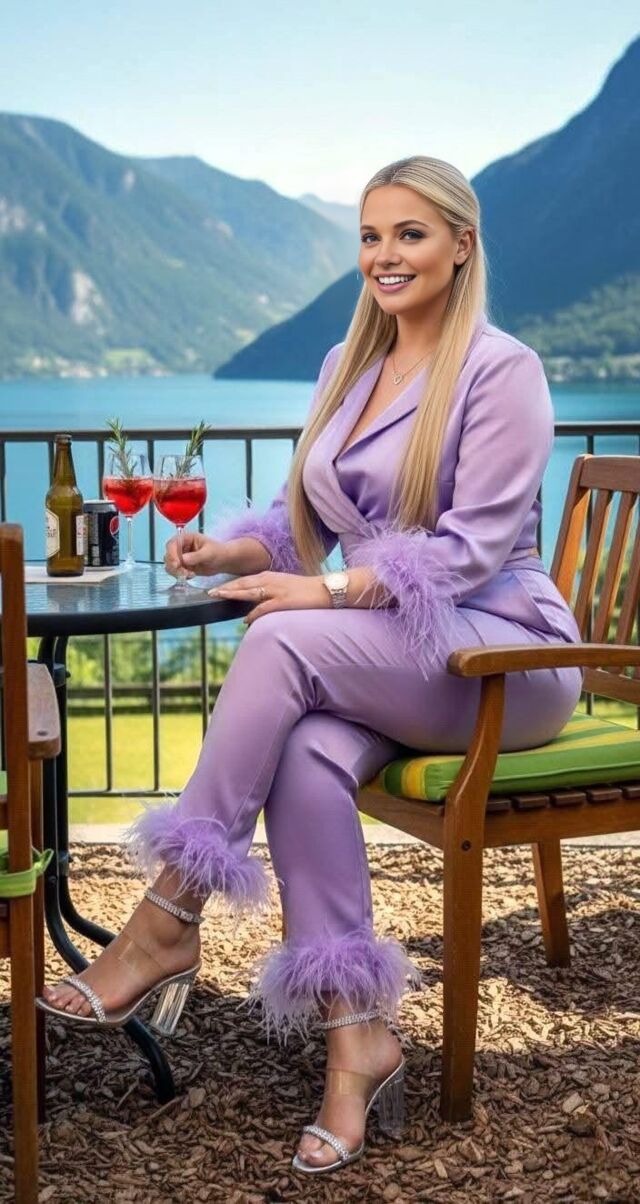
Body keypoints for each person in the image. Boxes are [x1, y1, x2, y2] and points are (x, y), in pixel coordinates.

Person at [37, 155, 584, 1175]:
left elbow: (469, 553)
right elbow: (314, 529)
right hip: (394, 650)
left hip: (504, 653)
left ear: (461, 244)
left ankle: (168, 916)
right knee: (305, 753)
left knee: (282, 636)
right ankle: (358, 1036)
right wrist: (234, 554)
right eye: (371, 236)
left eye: (410, 234)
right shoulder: (346, 363)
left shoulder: (501, 370)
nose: (385, 256)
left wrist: (321, 595)